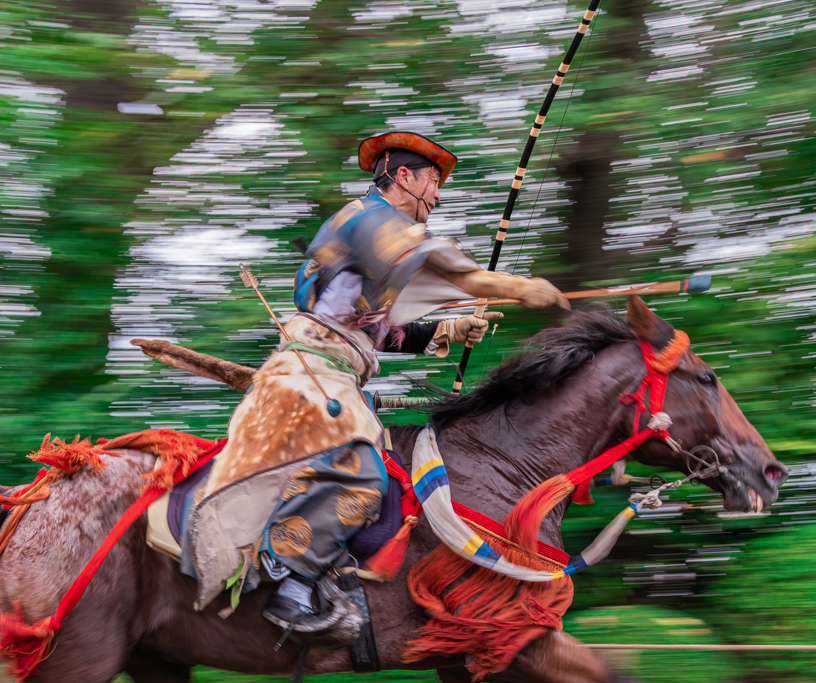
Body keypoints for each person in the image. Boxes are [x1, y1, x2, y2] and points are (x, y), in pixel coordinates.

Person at [199, 132, 569, 644]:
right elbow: (443, 265)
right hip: (312, 375)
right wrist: (513, 286)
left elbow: (375, 328)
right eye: (433, 183)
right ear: (402, 177)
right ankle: (293, 584)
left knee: (386, 474)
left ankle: (329, 575)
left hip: (331, 369)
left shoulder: (371, 243)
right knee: (364, 472)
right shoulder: (369, 218)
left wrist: (450, 330)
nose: (436, 197)